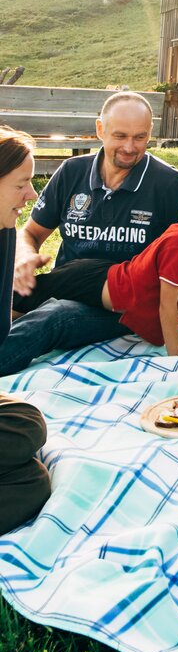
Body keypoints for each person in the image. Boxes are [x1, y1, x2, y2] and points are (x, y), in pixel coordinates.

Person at [2, 92, 178, 376]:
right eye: (120, 136)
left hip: (122, 308)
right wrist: (24, 258)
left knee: (54, 318)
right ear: (100, 129)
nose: (130, 147)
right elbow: (31, 233)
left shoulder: (169, 184)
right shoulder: (72, 171)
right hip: (67, 281)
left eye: (140, 137)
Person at [11, 174, 178, 356]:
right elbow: (167, 306)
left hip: (109, 282)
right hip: (91, 279)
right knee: (19, 300)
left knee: (28, 305)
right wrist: (176, 358)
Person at [0, 127, 51, 533]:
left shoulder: (3, 236)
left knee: (32, 483)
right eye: (22, 184)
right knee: (25, 428)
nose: (31, 195)